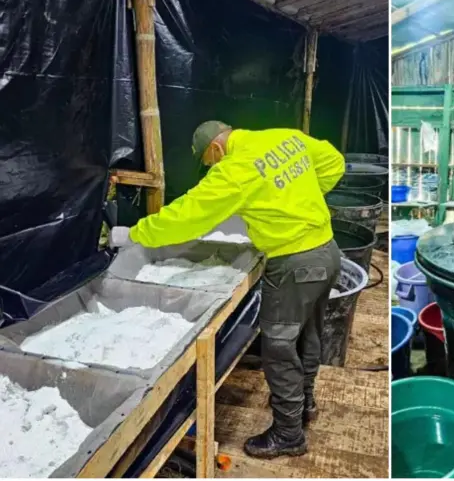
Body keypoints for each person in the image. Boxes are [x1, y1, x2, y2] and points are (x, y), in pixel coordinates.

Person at [109, 120, 345, 459]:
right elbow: (334, 162)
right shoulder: (283, 137)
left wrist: (133, 234)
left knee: (279, 348)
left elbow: (187, 216)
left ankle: (289, 434)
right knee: (309, 334)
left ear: (216, 149)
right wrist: (296, 203)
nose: (212, 169)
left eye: (209, 162)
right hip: (327, 250)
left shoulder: (233, 170)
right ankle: (304, 402)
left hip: (295, 264)